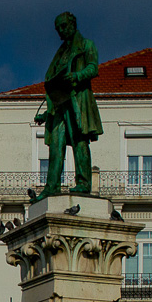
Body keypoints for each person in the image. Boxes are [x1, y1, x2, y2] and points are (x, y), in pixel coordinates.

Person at [33, 11, 103, 201]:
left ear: (73, 24)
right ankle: (52, 187)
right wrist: (46, 114)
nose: (61, 31)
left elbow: (93, 68)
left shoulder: (86, 45)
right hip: (60, 105)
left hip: (77, 100)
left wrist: (76, 76)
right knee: (55, 144)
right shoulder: (61, 53)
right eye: (58, 29)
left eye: (63, 26)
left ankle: (83, 183)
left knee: (79, 140)